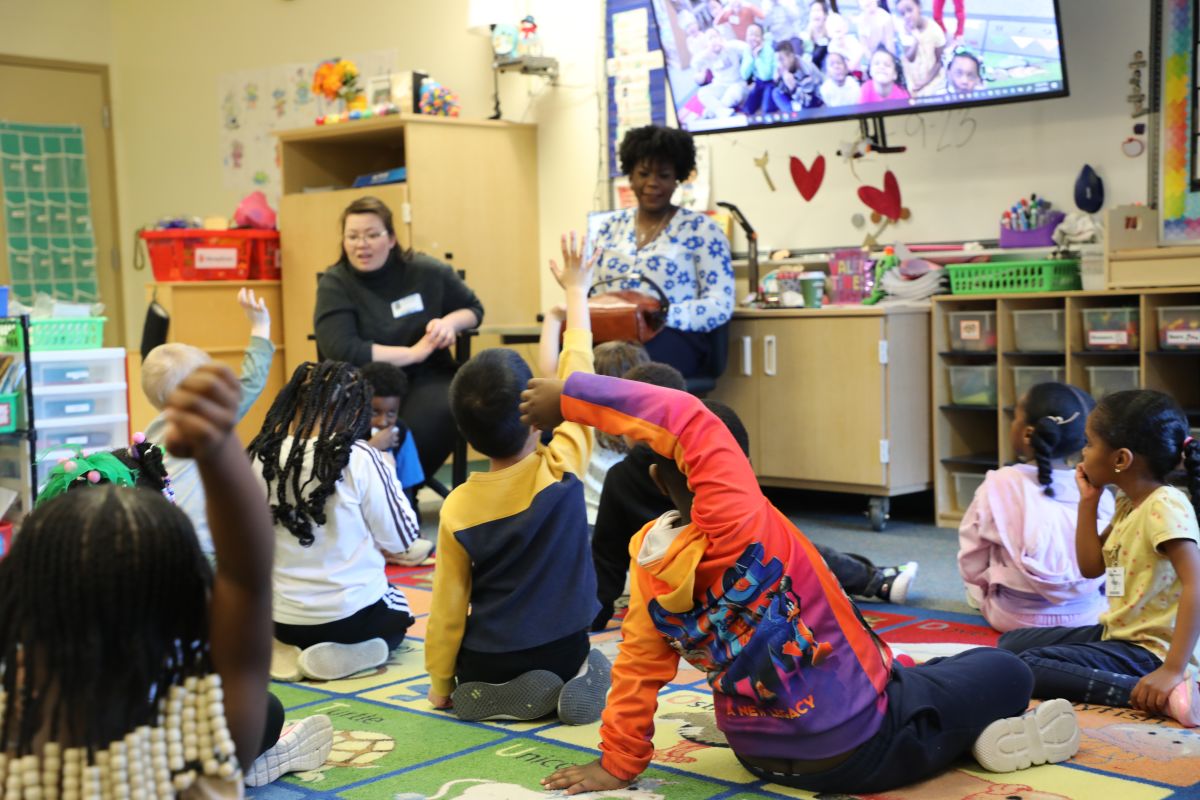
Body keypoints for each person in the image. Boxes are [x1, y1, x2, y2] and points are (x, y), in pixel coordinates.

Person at [523, 375, 1080, 795]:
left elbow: (638, 667)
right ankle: (968, 738)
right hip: (859, 750)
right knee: (1006, 669)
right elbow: (689, 418)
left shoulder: (648, 558)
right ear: (740, 470)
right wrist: (568, 397)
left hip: (755, 754)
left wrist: (617, 764)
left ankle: (938, 714)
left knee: (919, 672)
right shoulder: (743, 520)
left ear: (656, 480)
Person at [0, 363, 300, 797]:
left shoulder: (14, 731)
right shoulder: (207, 736)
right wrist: (219, 451)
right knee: (267, 710)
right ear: (186, 590)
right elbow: (246, 579)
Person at [425, 235, 611, 725]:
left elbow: (447, 606)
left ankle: (494, 689)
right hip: (561, 647)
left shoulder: (457, 506)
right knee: (600, 661)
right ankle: (577, 678)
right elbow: (581, 378)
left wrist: (441, 684)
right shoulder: (562, 465)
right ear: (535, 417)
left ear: (466, 434)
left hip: (488, 659)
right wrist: (576, 291)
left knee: (475, 662)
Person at [589, 361, 917, 632]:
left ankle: (874, 577)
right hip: (748, 573)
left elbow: (607, 554)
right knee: (793, 547)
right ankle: (876, 579)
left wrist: (595, 616)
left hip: (678, 592)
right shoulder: (713, 452)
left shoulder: (622, 477)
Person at [999, 390, 1200, 727]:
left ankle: (1165, 694)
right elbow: (1090, 567)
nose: (1083, 451)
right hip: (1120, 634)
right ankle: (1149, 685)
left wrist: (1172, 668)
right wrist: (1088, 501)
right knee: (1010, 645)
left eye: (1090, 443)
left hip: (1153, 650)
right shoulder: (1129, 502)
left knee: (1027, 665)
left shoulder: (1164, 505)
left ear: (1121, 459)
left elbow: (1197, 582)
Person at [248, 360, 422, 683]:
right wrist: (387, 472)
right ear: (355, 413)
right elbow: (403, 539)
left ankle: (282, 648)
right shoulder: (361, 457)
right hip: (350, 619)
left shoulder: (261, 456)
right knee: (400, 610)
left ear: (293, 406)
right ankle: (352, 652)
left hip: (282, 619)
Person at [313, 195, 484, 481]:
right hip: (363, 382)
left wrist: (449, 323)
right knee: (359, 426)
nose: (361, 244)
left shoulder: (426, 271)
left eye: (372, 235)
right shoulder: (335, 283)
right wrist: (413, 353)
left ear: (391, 238)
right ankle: (374, 490)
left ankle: (402, 490)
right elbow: (341, 348)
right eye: (352, 236)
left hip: (428, 376)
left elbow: (474, 309)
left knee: (439, 412)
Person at [959, 383, 1114, 632]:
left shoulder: (999, 483)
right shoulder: (1097, 490)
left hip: (1012, 616)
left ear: (1028, 434)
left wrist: (980, 589)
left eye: (1015, 417)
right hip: (1087, 615)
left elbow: (972, 554)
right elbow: (1114, 556)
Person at [588, 126, 735, 378]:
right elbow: (591, 290)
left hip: (672, 334)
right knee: (576, 356)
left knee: (630, 367)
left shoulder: (702, 230)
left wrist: (660, 316)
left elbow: (720, 303)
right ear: (630, 176)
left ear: (677, 178)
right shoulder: (608, 228)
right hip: (610, 331)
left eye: (664, 175)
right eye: (643, 174)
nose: (652, 183)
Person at [141, 287, 275, 556]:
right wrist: (260, 327)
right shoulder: (201, 419)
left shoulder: (149, 435)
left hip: (165, 540)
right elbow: (251, 381)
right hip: (202, 545)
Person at [358, 361, 433, 564]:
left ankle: (394, 546)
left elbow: (407, 490)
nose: (383, 421)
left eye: (391, 413)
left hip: (386, 515)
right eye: (375, 412)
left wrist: (412, 530)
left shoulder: (402, 433)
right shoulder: (347, 431)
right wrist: (373, 447)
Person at [693, 28, 752, 118]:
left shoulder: (731, 46)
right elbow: (694, 63)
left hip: (737, 84)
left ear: (720, 37)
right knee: (702, 93)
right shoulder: (707, 55)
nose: (713, 40)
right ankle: (722, 112)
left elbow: (747, 47)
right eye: (710, 38)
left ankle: (712, 112)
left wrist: (726, 45)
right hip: (720, 85)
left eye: (715, 37)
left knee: (732, 94)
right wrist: (706, 53)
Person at [896, 0, 947, 96]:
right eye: (902, 14)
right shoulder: (904, 30)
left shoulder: (935, 30)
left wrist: (924, 82)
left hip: (932, 80)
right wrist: (916, 40)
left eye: (910, 10)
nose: (907, 16)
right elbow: (910, 58)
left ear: (919, 7)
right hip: (913, 80)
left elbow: (939, 61)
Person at [771, 38, 825, 111]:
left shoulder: (805, 71)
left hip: (814, 99)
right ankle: (793, 112)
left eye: (781, 59)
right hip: (798, 94)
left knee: (801, 107)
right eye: (777, 60)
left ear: (791, 56)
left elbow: (808, 102)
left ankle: (795, 113)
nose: (779, 64)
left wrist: (793, 88)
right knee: (776, 92)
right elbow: (782, 88)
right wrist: (778, 80)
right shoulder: (783, 67)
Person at [739, 23, 779, 115]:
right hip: (758, 82)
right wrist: (751, 57)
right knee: (747, 109)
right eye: (750, 34)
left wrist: (757, 58)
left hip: (771, 82)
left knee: (767, 109)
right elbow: (744, 75)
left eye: (756, 35)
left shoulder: (768, 49)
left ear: (762, 38)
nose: (753, 38)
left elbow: (766, 76)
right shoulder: (747, 50)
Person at [803, 0, 831, 70]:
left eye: (818, 10)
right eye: (813, 11)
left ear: (825, 15)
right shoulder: (804, 37)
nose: (815, 14)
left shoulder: (831, 36)